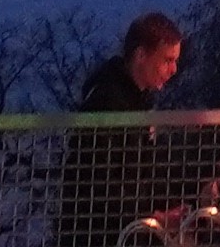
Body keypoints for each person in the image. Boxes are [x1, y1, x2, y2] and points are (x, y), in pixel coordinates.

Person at [56, 17, 201, 247]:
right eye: (167, 60)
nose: (174, 69)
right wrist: (151, 216)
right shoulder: (107, 103)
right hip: (99, 236)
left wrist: (175, 203)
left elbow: (143, 172)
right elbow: (97, 182)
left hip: (121, 231)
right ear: (141, 55)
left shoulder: (137, 102)